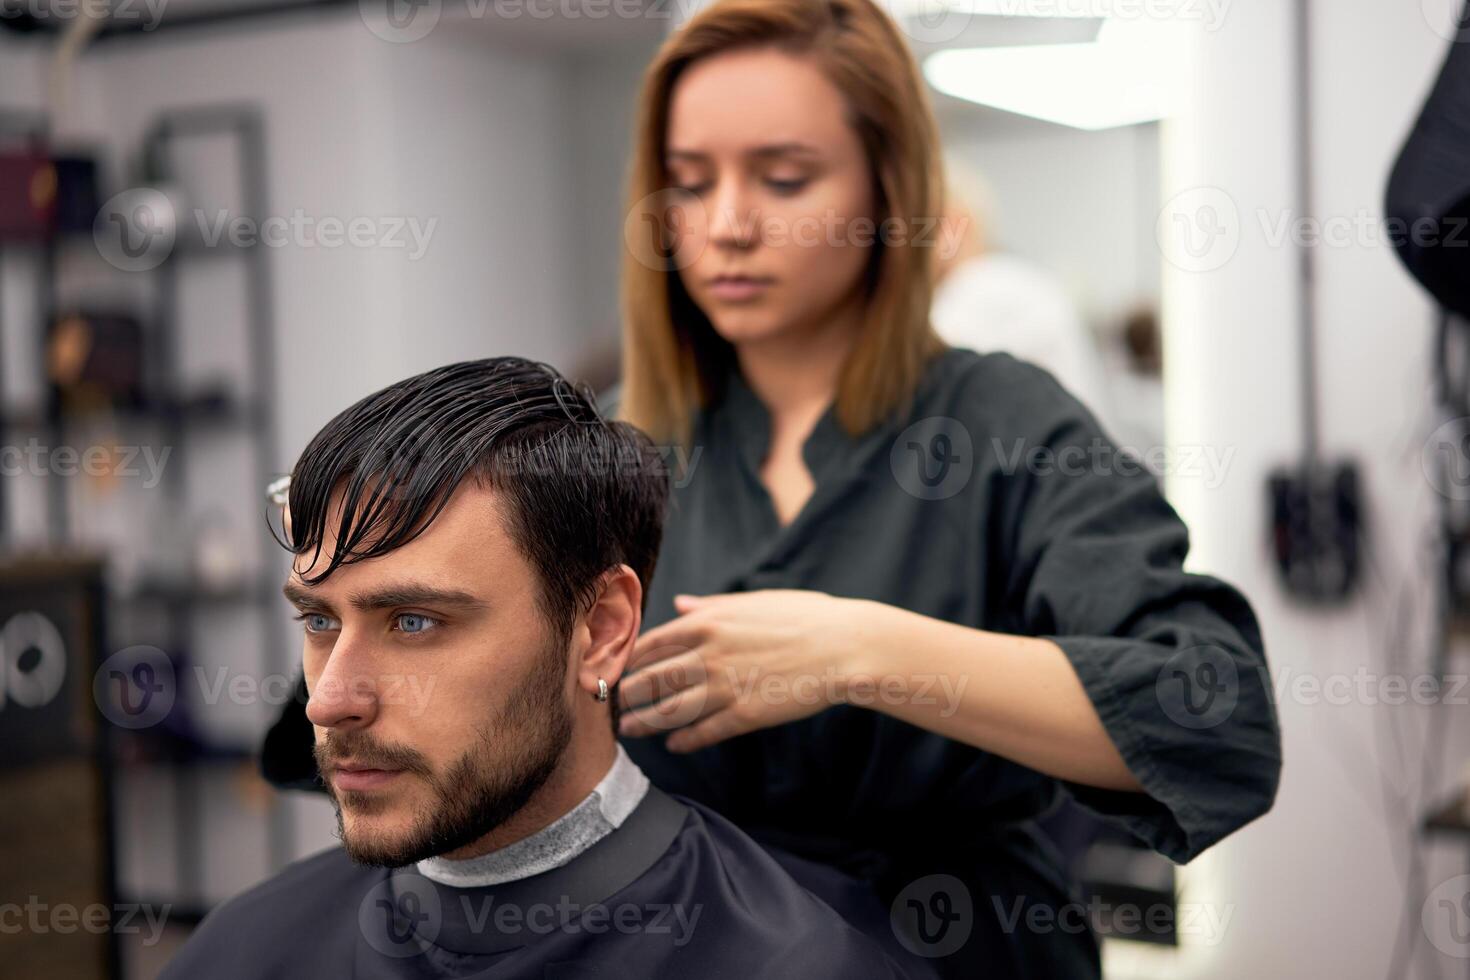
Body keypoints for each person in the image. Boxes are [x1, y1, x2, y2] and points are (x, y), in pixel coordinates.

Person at [611, 0, 1283, 975]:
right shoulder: (609, 451)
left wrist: (863, 649)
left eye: (785, 177)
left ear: (891, 189)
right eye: (687, 182)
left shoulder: (1006, 423)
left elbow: (1216, 716)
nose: (725, 225)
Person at [161, 358, 929, 979]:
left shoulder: (798, 963)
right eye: (321, 619)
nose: (328, 702)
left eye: (416, 621)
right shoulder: (242, 950)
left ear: (600, 631)